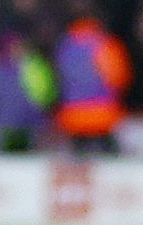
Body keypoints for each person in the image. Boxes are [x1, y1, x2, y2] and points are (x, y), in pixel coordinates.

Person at [53, 14, 131, 155]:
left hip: (73, 115)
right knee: (109, 159)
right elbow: (118, 78)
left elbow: (57, 80)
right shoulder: (104, 44)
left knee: (77, 156)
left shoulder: (64, 47)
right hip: (102, 115)